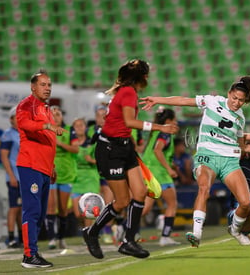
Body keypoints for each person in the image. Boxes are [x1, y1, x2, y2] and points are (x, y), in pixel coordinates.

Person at [141, 76, 250, 247]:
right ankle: (196, 233)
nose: (237, 103)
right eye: (234, 98)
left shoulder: (240, 118)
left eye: (241, 100)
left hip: (229, 160)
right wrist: (158, 99)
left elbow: (240, 147)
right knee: (204, 188)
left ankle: (234, 230)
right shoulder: (212, 101)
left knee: (246, 203)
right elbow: (183, 101)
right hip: (207, 155)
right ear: (228, 94)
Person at [82, 59, 178, 259]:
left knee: (140, 192)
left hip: (124, 147)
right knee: (122, 200)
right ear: (143, 76)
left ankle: (129, 241)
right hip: (110, 150)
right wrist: (160, 127)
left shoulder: (126, 92)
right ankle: (92, 232)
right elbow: (129, 121)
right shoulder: (127, 93)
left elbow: (122, 125)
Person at [16, 69, 66, 268]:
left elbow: (50, 140)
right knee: (33, 210)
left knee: (41, 213)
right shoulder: (26, 105)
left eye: (49, 85)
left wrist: (51, 165)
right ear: (33, 87)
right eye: (43, 85)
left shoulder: (45, 108)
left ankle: (33, 253)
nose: (47, 88)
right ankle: (29, 256)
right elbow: (25, 124)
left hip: (44, 168)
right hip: (30, 165)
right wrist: (47, 126)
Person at [142, 107, 180, 246]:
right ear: (169, 121)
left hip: (147, 174)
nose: (176, 122)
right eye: (174, 119)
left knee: (145, 208)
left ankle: (127, 228)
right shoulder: (165, 133)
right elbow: (157, 151)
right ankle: (165, 236)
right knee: (172, 204)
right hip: (161, 175)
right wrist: (169, 169)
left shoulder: (154, 131)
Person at [45, 105, 78, 250]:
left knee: (63, 209)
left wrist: (58, 143)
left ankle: (61, 237)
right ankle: (51, 238)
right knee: (51, 206)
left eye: (58, 114)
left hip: (66, 174)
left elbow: (76, 149)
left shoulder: (69, 130)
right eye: (53, 114)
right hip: (50, 172)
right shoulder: (46, 129)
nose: (56, 116)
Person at [87, 104, 114, 243]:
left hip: (107, 171)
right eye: (98, 115)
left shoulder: (112, 129)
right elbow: (87, 147)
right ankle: (93, 231)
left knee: (109, 202)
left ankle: (107, 231)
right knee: (94, 204)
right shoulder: (91, 131)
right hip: (92, 174)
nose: (101, 118)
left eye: (104, 115)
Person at [70, 117, 100, 227]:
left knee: (88, 211)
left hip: (90, 179)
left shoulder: (92, 142)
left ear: (85, 128)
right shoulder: (71, 144)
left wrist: (91, 160)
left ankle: (88, 235)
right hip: (76, 179)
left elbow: (102, 160)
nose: (79, 128)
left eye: (81, 125)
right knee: (77, 213)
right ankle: (86, 229)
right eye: (76, 126)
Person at [0, 106, 22, 248]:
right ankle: (11, 237)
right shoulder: (8, 134)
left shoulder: (23, 133)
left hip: (23, 176)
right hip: (15, 176)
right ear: (11, 119)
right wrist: (11, 176)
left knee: (21, 208)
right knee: (14, 207)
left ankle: (20, 237)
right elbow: (4, 157)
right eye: (16, 117)